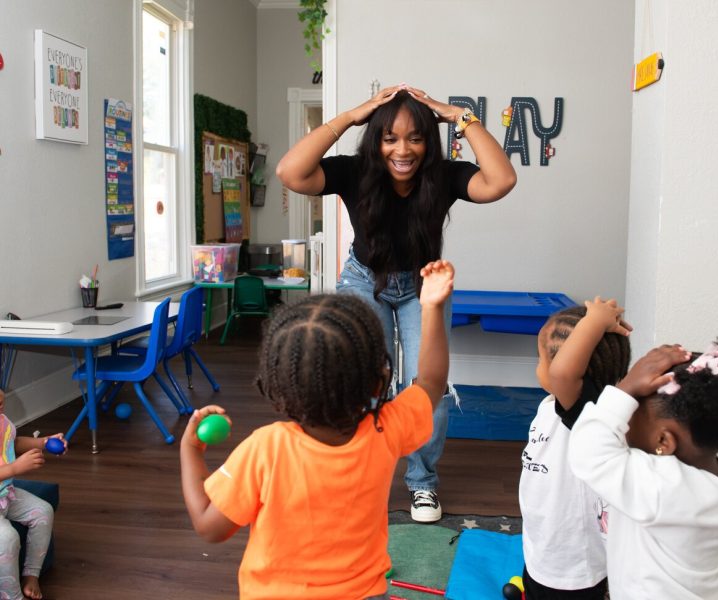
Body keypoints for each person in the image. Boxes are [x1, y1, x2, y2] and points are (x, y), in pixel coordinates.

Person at [276, 83, 516, 522]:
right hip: (364, 281)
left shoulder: (443, 177)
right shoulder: (354, 172)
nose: (402, 149)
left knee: (427, 388)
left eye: (415, 137)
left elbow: (501, 180)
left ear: (429, 141)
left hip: (424, 287)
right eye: (390, 138)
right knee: (366, 385)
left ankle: (421, 484)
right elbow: (291, 173)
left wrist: (458, 114)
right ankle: (361, 478)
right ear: (376, 139)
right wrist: (352, 114)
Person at [180, 260, 454, 599]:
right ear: (375, 383)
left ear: (278, 384)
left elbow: (209, 527)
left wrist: (190, 451)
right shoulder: (386, 428)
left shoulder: (266, 448)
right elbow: (431, 382)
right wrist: (431, 307)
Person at [568, 337, 718, 599]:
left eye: (634, 406)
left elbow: (588, 451)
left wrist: (626, 387)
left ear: (664, 441)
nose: (625, 414)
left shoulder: (665, 489)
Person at [518, 298, 631, 599]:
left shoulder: (587, 415)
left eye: (541, 359)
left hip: (570, 567)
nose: (539, 367)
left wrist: (594, 320)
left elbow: (564, 375)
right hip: (544, 544)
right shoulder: (562, 407)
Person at [0, 389, 65, 600]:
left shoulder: (2, 421)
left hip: (5, 493)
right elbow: (13, 467)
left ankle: (31, 573)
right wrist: (14, 469)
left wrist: (43, 442)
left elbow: (13, 442)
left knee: (43, 511)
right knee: (7, 538)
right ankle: (11, 596)